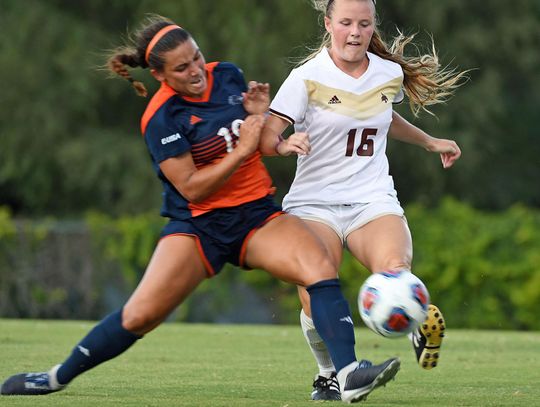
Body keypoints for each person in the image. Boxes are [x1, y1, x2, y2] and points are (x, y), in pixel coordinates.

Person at [0, 15, 401, 404]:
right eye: (182, 67)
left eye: (196, 57)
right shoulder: (161, 117)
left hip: (255, 216)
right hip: (199, 227)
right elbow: (193, 188)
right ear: (160, 76)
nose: (196, 70)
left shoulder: (227, 75)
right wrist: (243, 148)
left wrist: (261, 120)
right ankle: (55, 378)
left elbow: (256, 141)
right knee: (139, 316)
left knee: (318, 267)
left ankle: (347, 375)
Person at [259, 0, 467, 401]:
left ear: (374, 27)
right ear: (328, 24)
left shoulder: (387, 74)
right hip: (313, 203)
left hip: (371, 197)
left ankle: (414, 317)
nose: (355, 32)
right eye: (346, 23)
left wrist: (428, 141)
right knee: (315, 286)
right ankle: (329, 374)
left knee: (397, 271)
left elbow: (384, 116)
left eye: (364, 24)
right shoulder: (306, 78)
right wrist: (285, 146)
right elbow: (268, 136)